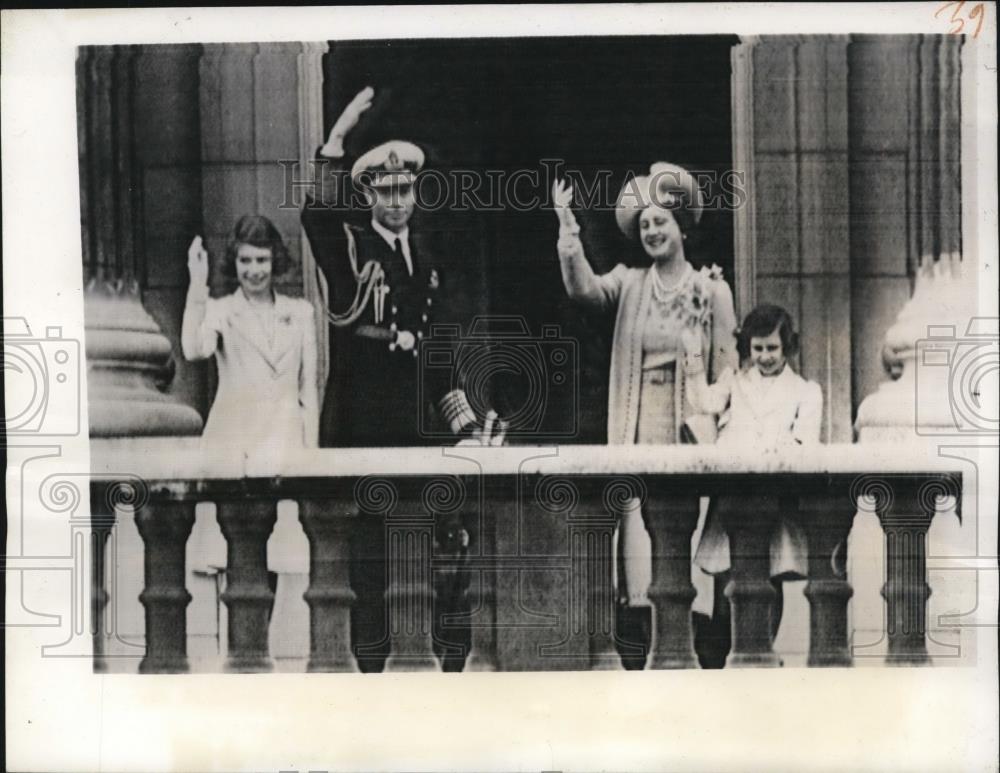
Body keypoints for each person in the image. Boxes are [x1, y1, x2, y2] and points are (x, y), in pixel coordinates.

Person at [301, 86, 503, 672]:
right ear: (366, 194)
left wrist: (461, 416)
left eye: (405, 189)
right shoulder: (351, 247)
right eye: (385, 191)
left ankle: (421, 655)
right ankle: (369, 658)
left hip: (414, 419)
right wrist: (335, 145)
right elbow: (317, 215)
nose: (397, 201)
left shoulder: (424, 251)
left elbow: (436, 342)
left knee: (425, 538)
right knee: (369, 546)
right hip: (363, 415)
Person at [552, 165, 739, 667]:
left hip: (689, 432)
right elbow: (584, 290)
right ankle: (649, 650)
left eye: (662, 221)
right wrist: (569, 234)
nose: (653, 231)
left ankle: (691, 649)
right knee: (640, 545)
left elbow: (729, 377)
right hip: (637, 423)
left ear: (681, 226)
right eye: (646, 225)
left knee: (686, 539)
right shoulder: (630, 283)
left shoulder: (712, 290)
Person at [182, 214, 319, 664]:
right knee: (236, 557)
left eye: (262, 259)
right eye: (245, 260)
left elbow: (308, 389)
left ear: (275, 261)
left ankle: (261, 654)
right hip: (234, 445)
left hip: (282, 445)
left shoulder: (300, 313)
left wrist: (311, 455)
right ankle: (237, 655)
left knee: (281, 559)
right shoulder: (221, 311)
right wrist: (197, 285)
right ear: (234, 263)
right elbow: (194, 349)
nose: (254, 270)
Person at [682, 303, 822, 667]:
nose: (764, 357)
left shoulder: (805, 392)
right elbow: (701, 400)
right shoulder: (734, 382)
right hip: (732, 500)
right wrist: (693, 346)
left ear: (787, 346)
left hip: (774, 501)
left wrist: (774, 454)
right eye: (757, 348)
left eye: (772, 348)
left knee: (770, 582)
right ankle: (725, 659)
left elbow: (804, 443)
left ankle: (762, 656)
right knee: (727, 582)